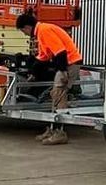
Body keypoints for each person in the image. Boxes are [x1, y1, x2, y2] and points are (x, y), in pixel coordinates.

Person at [15, 9, 81, 144]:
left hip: (69, 65)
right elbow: (43, 56)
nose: (25, 34)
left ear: (27, 27)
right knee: (55, 94)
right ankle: (52, 129)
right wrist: (33, 72)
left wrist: (62, 72)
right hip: (67, 64)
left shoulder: (44, 31)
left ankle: (60, 132)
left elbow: (60, 52)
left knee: (59, 95)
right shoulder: (42, 31)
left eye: (23, 31)